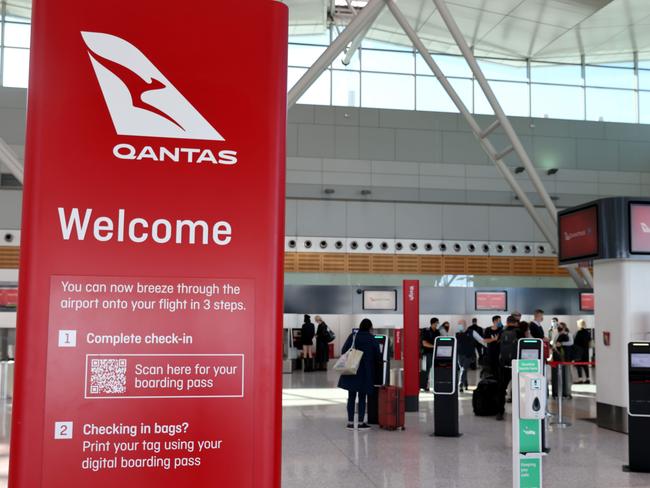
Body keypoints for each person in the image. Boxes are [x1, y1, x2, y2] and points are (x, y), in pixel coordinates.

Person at [338, 318, 381, 430]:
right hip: (365, 372)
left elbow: (343, 350)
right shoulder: (372, 339)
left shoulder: (353, 336)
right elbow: (378, 356)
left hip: (352, 369)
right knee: (362, 397)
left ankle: (350, 422)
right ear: (370, 328)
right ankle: (361, 423)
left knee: (351, 396)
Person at [496, 315, 522, 421]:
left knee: (502, 388)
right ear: (515, 323)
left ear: (507, 322)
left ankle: (500, 412)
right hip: (516, 364)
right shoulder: (519, 332)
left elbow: (498, 346)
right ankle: (519, 412)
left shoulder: (502, 332)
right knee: (519, 389)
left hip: (504, 364)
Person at [552, 322, 574, 398]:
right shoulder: (557, 334)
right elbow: (554, 343)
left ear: (564, 327)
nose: (559, 328)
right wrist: (555, 345)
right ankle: (557, 392)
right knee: (558, 375)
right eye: (558, 327)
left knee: (567, 375)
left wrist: (562, 344)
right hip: (558, 357)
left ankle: (567, 392)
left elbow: (571, 342)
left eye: (560, 327)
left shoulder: (569, 334)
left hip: (567, 357)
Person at [456, 320, 475, 393]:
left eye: (461, 324)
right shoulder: (457, 334)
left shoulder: (471, 332)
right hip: (460, 355)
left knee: (464, 369)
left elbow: (480, 340)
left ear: (465, 324)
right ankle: (466, 384)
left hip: (468, 355)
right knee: (463, 369)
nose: (460, 325)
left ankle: (460, 385)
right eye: (459, 324)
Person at [421, 318, 441, 391]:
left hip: (435, 354)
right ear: (433, 323)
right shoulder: (426, 331)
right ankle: (424, 386)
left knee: (435, 369)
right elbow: (424, 343)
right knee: (425, 370)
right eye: (437, 323)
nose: (437, 324)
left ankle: (434, 385)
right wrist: (434, 346)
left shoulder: (437, 332)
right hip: (426, 354)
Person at [574, 319, 592, 384]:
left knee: (578, 365)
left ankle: (580, 379)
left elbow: (575, 342)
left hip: (579, 351)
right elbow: (590, 342)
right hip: (586, 351)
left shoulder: (578, 333)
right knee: (585, 365)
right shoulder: (587, 333)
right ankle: (588, 378)